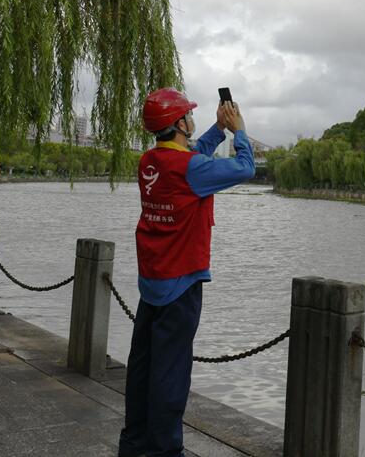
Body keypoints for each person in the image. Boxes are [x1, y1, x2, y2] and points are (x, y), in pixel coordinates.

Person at [118, 87, 256, 457]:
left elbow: (192, 155)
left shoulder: (149, 161)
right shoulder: (191, 169)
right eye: (188, 115)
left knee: (143, 368)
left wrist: (216, 127)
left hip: (152, 280)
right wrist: (238, 131)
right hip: (181, 283)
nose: (191, 119)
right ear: (179, 123)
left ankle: (133, 446)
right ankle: (166, 450)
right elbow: (245, 168)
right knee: (171, 374)